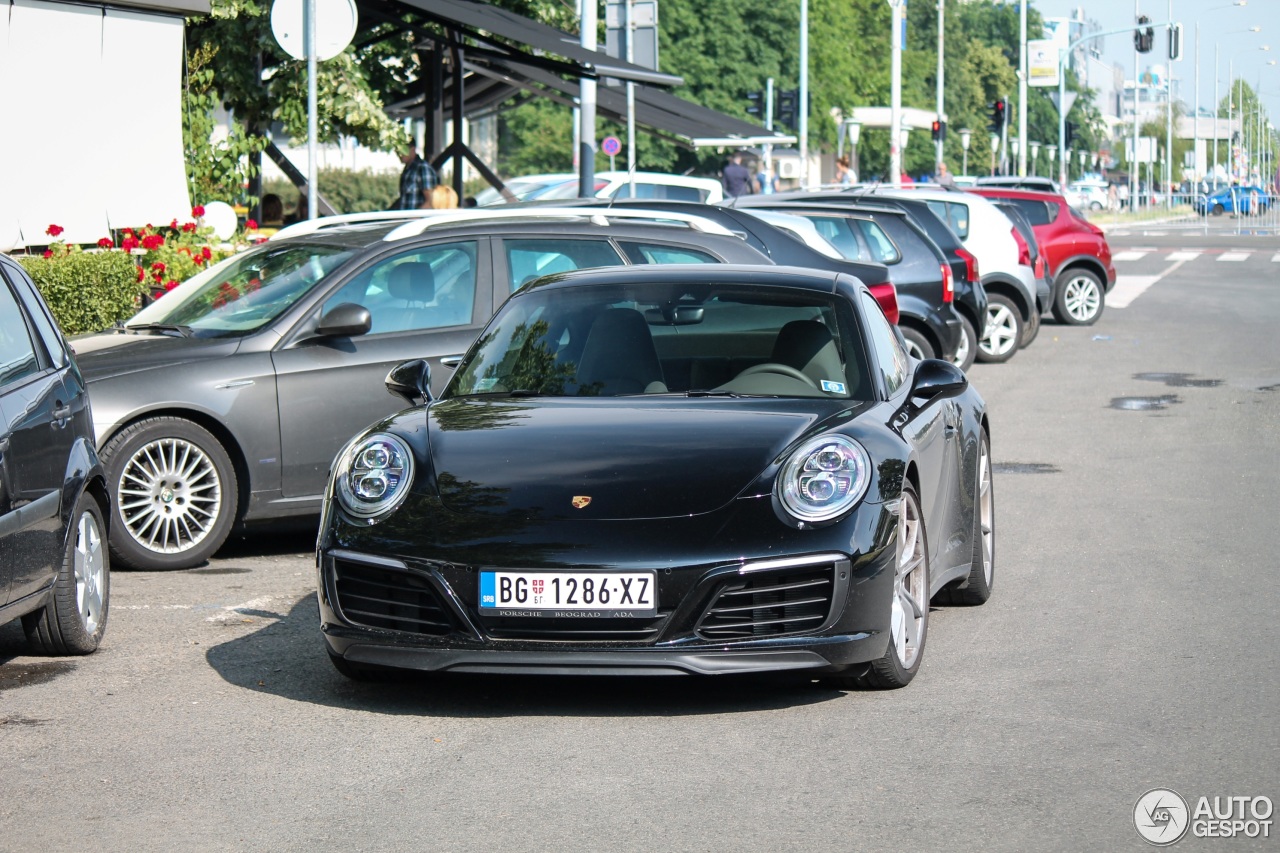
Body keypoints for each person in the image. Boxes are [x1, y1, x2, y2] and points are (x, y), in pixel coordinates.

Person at [397, 139, 438, 210]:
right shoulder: (407, 170)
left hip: (419, 220)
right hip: (406, 219)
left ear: (412, 150)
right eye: (397, 151)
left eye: (402, 151)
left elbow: (431, 202)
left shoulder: (423, 168)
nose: (399, 154)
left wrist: (413, 218)